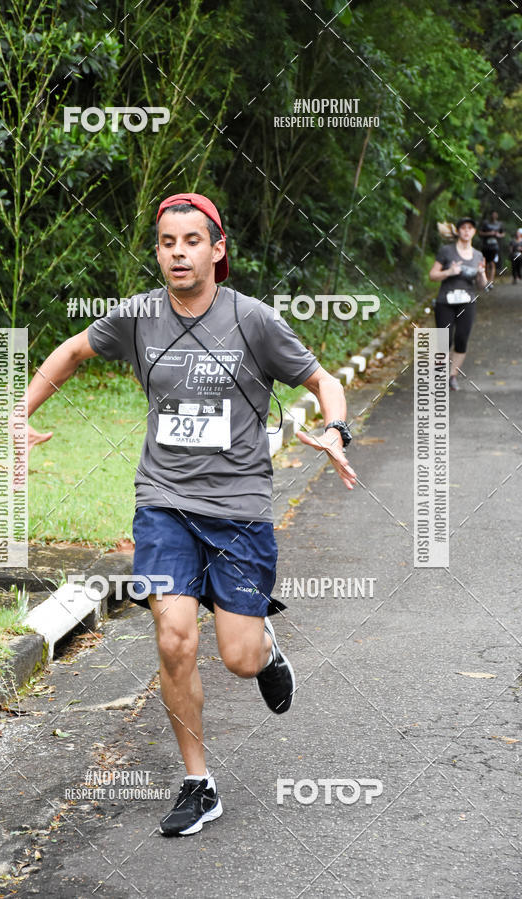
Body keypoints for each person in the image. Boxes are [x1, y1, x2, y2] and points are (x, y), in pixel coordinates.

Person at [19, 192, 357, 836]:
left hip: (238, 512)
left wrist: (336, 428)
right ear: (158, 252)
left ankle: (264, 644)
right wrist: (22, 412)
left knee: (238, 657)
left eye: (192, 241)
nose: (179, 252)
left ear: (217, 249)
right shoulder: (139, 317)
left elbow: (322, 381)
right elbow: (70, 352)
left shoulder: (253, 321)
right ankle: (198, 783)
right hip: (163, 505)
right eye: (168, 242)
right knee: (174, 639)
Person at [429, 216, 488, 391]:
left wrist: (482, 273)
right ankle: (439, 375)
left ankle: (452, 376)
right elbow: (432, 275)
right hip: (445, 301)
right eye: (463, 228)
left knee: (461, 339)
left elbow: (482, 286)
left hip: (467, 302)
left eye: (470, 228)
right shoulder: (446, 251)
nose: (466, 231)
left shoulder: (478, 255)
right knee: (444, 340)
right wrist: (449, 271)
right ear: (458, 231)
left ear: (474, 232)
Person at [479, 210, 505, 286]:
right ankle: (486, 280)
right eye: (492, 214)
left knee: (492, 263)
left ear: (497, 216)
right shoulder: (485, 223)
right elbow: (480, 232)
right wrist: (489, 233)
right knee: (486, 263)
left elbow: (503, 233)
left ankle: (491, 281)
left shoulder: (499, 224)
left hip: (495, 247)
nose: (494, 216)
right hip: (486, 246)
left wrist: (498, 235)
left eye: (495, 214)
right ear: (490, 215)